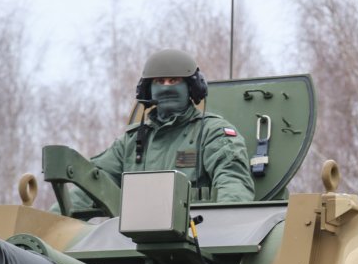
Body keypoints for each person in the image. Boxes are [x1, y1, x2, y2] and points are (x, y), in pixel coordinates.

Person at [66, 49, 255, 211]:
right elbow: (91, 185)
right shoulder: (130, 142)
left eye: (173, 80)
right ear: (147, 90)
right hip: (135, 237)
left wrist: (226, 225)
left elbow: (233, 182)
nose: (166, 88)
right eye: (159, 81)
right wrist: (52, 223)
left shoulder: (212, 133)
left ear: (192, 88)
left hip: (199, 235)